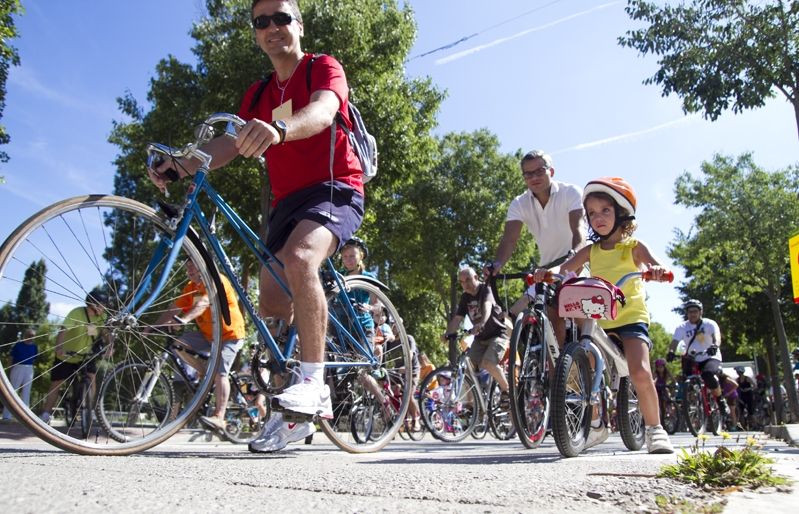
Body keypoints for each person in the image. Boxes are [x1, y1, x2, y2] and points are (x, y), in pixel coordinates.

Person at [147, 0, 365, 453]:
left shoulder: (322, 67)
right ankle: (290, 417)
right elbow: (229, 144)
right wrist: (181, 165)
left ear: (298, 25)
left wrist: (279, 130)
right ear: (255, 33)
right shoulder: (258, 94)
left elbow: (323, 111)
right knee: (271, 305)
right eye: (261, 21)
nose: (271, 27)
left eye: (281, 17)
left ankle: (315, 382)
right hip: (286, 203)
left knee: (300, 258)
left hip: (335, 187)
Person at [537, 177, 674, 454]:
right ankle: (595, 425)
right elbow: (565, 269)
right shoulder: (591, 250)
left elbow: (656, 264)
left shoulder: (633, 247)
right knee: (585, 370)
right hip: (598, 317)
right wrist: (549, 274)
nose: (597, 218)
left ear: (622, 214)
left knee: (639, 371)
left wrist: (657, 271)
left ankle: (655, 429)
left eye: (605, 211)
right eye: (592, 213)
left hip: (630, 318)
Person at [486, 150, 586, 342]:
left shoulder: (570, 192)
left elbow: (579, 229)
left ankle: (593, 355)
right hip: (547, 268)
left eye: (539, 171)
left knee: (584, 318)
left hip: (578, 258)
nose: (534, 178)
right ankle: (557, 362)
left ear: (551, 171)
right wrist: (497, 264)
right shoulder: (519, 203)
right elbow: (509, 239)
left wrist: (575, 257)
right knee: (552, 324)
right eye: (528, 174)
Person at [151, 259, 246, 433]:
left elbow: (203, 303)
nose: (189, 269)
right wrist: (152, 327)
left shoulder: (216, 280)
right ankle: (204, 371)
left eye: (192, 265)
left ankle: (219, 417)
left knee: (220, 372)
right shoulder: (190, 287)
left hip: (230, 335)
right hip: (208, 336)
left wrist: (185, 319)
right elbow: (173, 309)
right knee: (177, 344)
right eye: (187, 266)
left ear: (203, 265)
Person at [40, 288, 109, 424]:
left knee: (92, 379)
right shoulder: (77, 313)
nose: (105, 308)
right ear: (94, 305)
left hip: (86, 355)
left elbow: (107, 332)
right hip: (67, 355)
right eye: (103, 305)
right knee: (57, 383)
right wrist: (59, 348)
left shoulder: (102, 317)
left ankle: (89, 410)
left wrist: (110, 346)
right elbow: (63, 330)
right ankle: (46, 413)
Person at [442, 267, 510, 402]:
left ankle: (507, 391)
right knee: (467, 369)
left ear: (476, 278)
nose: (465, 284)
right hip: (480, 339)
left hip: (497, 335)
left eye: (468, 280)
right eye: (462, 282)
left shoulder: (486, 289)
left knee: (488, 363)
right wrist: (447, 333)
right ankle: (473, 406)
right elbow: (457, 319)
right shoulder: (465, 297)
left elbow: (487, 307)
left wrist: (482, 323)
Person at [666, 299, 728, 417]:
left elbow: (716, 337)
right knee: (685, 380)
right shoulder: (682, 327)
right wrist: (671, 351)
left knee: (707, 374)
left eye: (695, 311)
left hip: (709, 355)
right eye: (690, 312)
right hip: (692, 358)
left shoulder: (709, 324)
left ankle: (720, 400)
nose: (692, 314)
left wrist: (715, 346)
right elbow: (674, 341)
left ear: (701, 312)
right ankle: (691, 403)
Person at [2, 328, 37, 421]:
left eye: (32, 336)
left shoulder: (34, 347)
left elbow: (34, 359)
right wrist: (10, 369)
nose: (31, 338)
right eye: (29, 336)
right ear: (25, 336)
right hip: (18, 367)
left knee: (26, 392)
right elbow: (11, 357)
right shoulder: (18, 345)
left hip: (29, 368)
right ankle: (7, 416)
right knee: (13, 390)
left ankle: (26, 417)